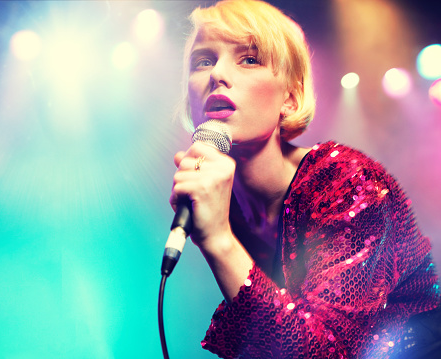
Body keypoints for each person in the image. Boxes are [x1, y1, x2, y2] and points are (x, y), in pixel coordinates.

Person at [169, 0, 440, 357]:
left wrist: (219, 241)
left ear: (291, 99)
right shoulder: (223, 200)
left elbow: (325, 351)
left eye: (249, 58)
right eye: (204, 60)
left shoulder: (347, 182)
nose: (216, 74)